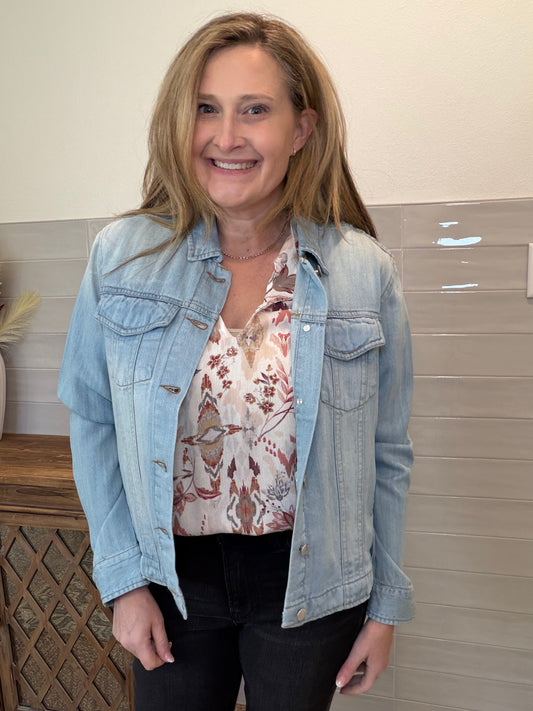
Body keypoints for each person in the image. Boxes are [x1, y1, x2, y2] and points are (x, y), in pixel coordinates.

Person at [58, 12, 414, 711]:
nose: (226, 136)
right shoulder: (122, 259)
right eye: (205, 109)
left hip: (310, 579)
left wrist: (385, 608)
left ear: (300, 129)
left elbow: (387, 452)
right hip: (170, 577)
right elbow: (93, 420)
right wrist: (124, 582)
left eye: (254, 110)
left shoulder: (363, 271)